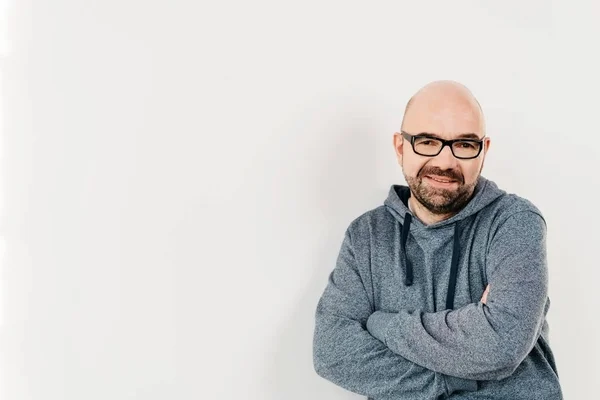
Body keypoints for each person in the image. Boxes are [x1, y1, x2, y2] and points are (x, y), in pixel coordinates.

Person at [312, 80, 563, 399]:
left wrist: (381, 324)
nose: (445, 162)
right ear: (400, 147)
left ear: (483, 152)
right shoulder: (366, 235)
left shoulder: (513, 222)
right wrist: (449, 381)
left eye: (464, 145)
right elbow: (332, 351)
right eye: (428, 141)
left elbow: (502, 343)